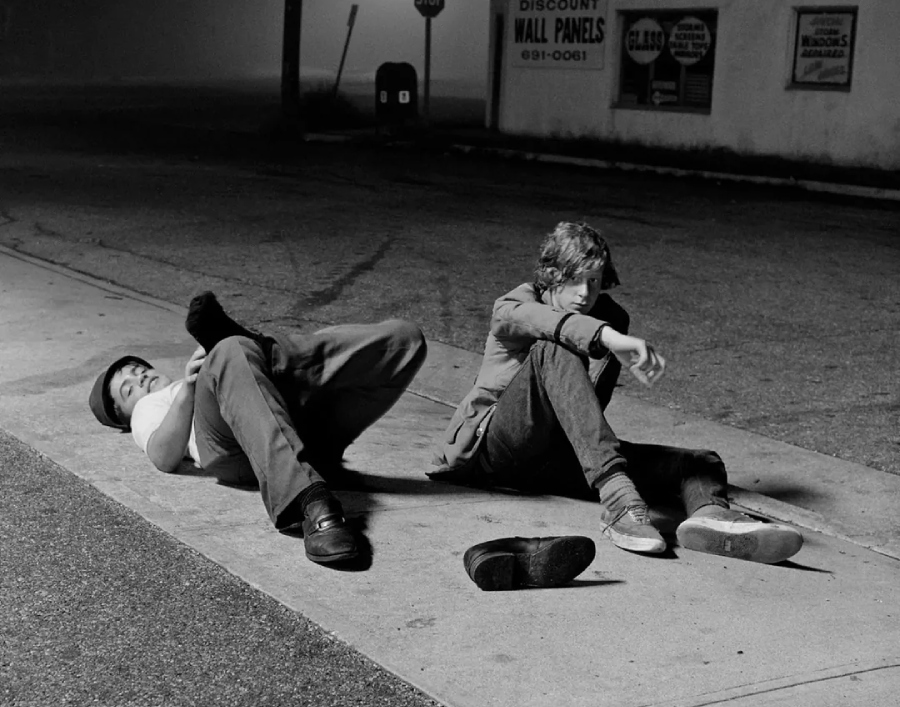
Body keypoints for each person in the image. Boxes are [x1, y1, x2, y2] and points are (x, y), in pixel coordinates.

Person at [429, 221, 802, 565]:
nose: (585, 293)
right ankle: (619, 501)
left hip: (556, 458)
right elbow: (556, 326)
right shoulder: (515, 305)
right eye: (575, 280)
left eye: (594, 281)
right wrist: (607, 337)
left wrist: (609, 332)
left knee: (699, 463)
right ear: (552, 276)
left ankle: (711, 519)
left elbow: (585, 406)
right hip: (497, 449)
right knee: (554, 347)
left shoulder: (610, 316)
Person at [89, 293, 427, 566]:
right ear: (124, 417)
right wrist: (190, 391)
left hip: (293, 427)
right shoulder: (150, 408)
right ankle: (307, 500)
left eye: (136, 369)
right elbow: (163, 456)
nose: (139, 379)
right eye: (128, 390)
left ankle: (264, 352)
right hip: (229, 449)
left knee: (403, 342)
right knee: (229, 350)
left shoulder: (186, 377)